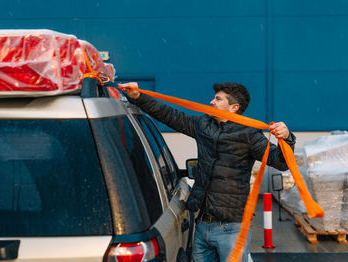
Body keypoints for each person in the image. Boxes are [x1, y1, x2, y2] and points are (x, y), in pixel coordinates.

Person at [119, 81, 295, 262]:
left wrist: (287, 138)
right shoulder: (204, 125)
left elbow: (280, 162)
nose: (212, 102)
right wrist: (138, 97)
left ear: (234, 107)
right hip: (202, 223)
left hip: (232, 227)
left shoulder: (249, 134)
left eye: (218, 99)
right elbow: (169, 115)